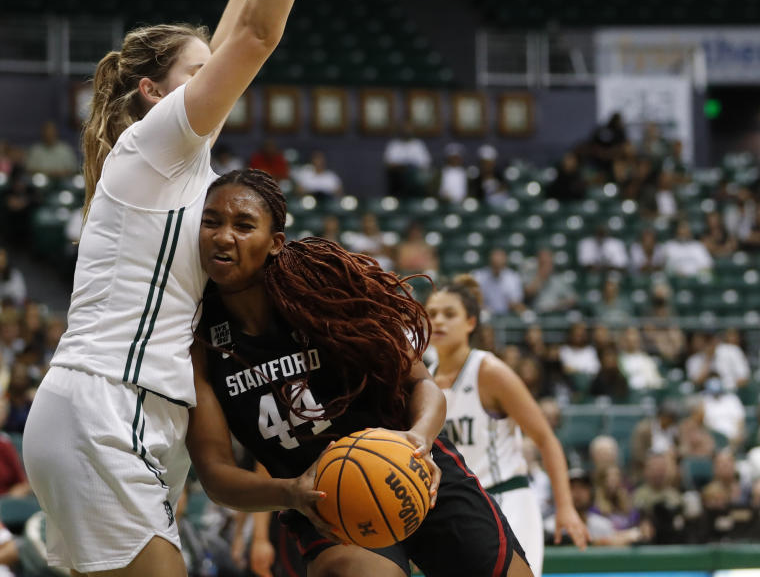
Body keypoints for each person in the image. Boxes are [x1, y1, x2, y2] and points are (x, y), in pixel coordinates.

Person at [23, 0, 355, 576]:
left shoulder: (177, 162)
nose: (212, 83)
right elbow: (259, 37)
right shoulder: (150, 147)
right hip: (105, 407)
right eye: (194, 72)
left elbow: (237, 35)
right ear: (152, 93)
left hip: (134, 416)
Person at [187, 169, 531, 577]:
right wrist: (291, 493)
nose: (224, 236)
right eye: (211, 222)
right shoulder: (200, 340)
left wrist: (418, 439)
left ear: (275, 243)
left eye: (243, 225)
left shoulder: (322, 295)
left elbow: (422, 383)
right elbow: (215, 474)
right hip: (322, 501)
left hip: (414, 468)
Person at [426, 276, 589, 577]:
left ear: (471, 322)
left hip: (506, 500)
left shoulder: (489, 372)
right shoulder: (425, 380)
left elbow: (546, 439)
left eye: (450, 314)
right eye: (432, 313)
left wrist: (565, 506)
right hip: (457, 506)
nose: (439, 321)